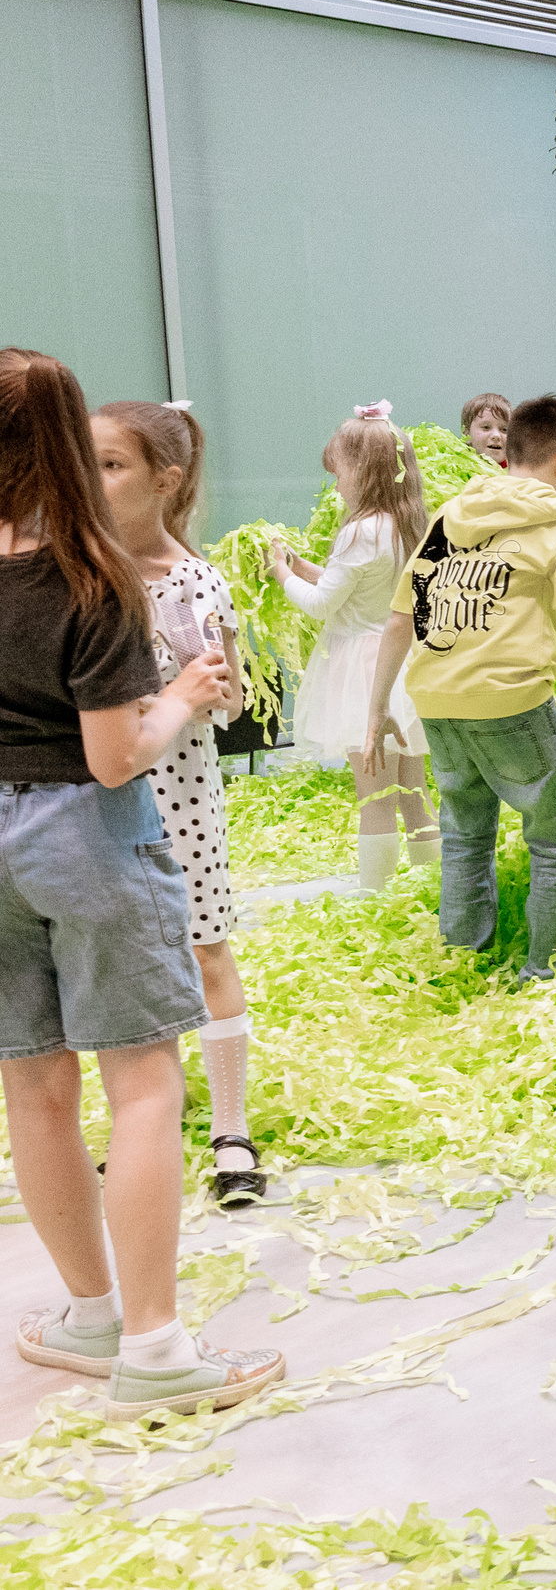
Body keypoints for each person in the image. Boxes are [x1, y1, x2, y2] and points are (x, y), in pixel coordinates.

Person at [0, 348, 286, 1421]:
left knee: (32, 1083)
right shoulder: (92, 578)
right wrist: (177, 698)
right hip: (84, 834)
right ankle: (158, 1349)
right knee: (143, 1083)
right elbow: (118, 754)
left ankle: (87, 1314)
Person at [362, 395, 556, 984]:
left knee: (465, 834)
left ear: (508, 455)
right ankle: (548, 971)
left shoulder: (450, 515)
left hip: (438, 699)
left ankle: (462, 961)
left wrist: (378, 707)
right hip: (511, 701)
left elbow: (399, 619)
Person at [94, 399, 269, 1209]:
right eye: (85, 462)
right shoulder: (75, 569)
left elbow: (231, 703)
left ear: (164, 481)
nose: (92, 481)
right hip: (92, 801)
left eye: (111, 465)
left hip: (181, 800)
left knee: (204, 951)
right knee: (118, 963)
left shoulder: (197, 579)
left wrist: (193, 688)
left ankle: (230, 1127)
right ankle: (142, 1118)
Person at [266, 402, 435, 890]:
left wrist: (280, 572)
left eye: (338, 473)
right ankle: (433, 885)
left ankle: (374, 896)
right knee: (413, 790)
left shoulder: (359, 530)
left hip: (363, 674)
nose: (335, 485)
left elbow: (322, 606)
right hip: (403, 665)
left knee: (373, 795)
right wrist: (304, 567)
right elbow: (363, 589)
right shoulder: (408, 523)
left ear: (362, 472)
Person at [461, 391, 511, 469]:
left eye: (504, 430)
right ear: (467, 433)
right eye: (486, 427)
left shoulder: (522, 474)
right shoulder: (449, 469)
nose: (496, 435)